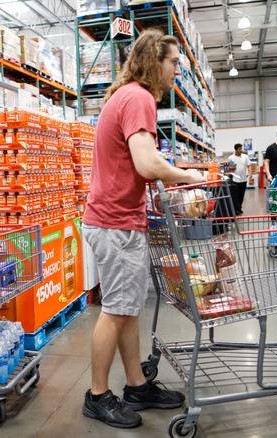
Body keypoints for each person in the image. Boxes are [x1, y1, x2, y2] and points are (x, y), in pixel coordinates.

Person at [81, 29, 205, 429]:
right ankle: (97, 395)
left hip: (116, 219)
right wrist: (187, 176)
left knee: (127, 309)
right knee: (116, 310)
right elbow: (148, 165)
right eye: (173, 63)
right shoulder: (139, 98)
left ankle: (136, 384)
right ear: (155, 61)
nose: (176, 73)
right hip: (114, 223)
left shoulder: (126, 96)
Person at [228, 143, 251, 215]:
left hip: (243, 180)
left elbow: (249, 165)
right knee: (235, 196)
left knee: (241, 195)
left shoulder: (245, 157)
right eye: (239, 149)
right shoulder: (231, 158)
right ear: (235, 150)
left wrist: (250, 172)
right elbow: (230, 167)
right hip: (235, 180)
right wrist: (232, 168)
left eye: (241, 149)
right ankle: (235, 209)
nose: (241, 150)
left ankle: (239, 208)